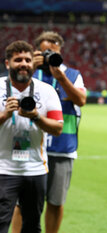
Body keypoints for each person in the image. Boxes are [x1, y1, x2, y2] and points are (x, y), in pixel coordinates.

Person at [11, 31, 87, 233]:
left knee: (55, 201)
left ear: (60, 52)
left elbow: (81, 100)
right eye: (44, 52)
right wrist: (32, 67)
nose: (47, 56)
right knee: (21, 202)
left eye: (52, 52)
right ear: (35, 51)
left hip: (62, 145)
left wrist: (60, 78)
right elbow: (12, 95)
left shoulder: (72, 74)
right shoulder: (28, 72)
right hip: (30, 144)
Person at [0, 40, 63, 233]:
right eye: (18, 59)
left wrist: (35, 116)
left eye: (27, 59)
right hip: (3, 169)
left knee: (32, 226)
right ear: (7, 63)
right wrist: (4, 116)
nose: (24, 64)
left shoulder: (46, 90)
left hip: (35, 169)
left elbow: (57, 127)